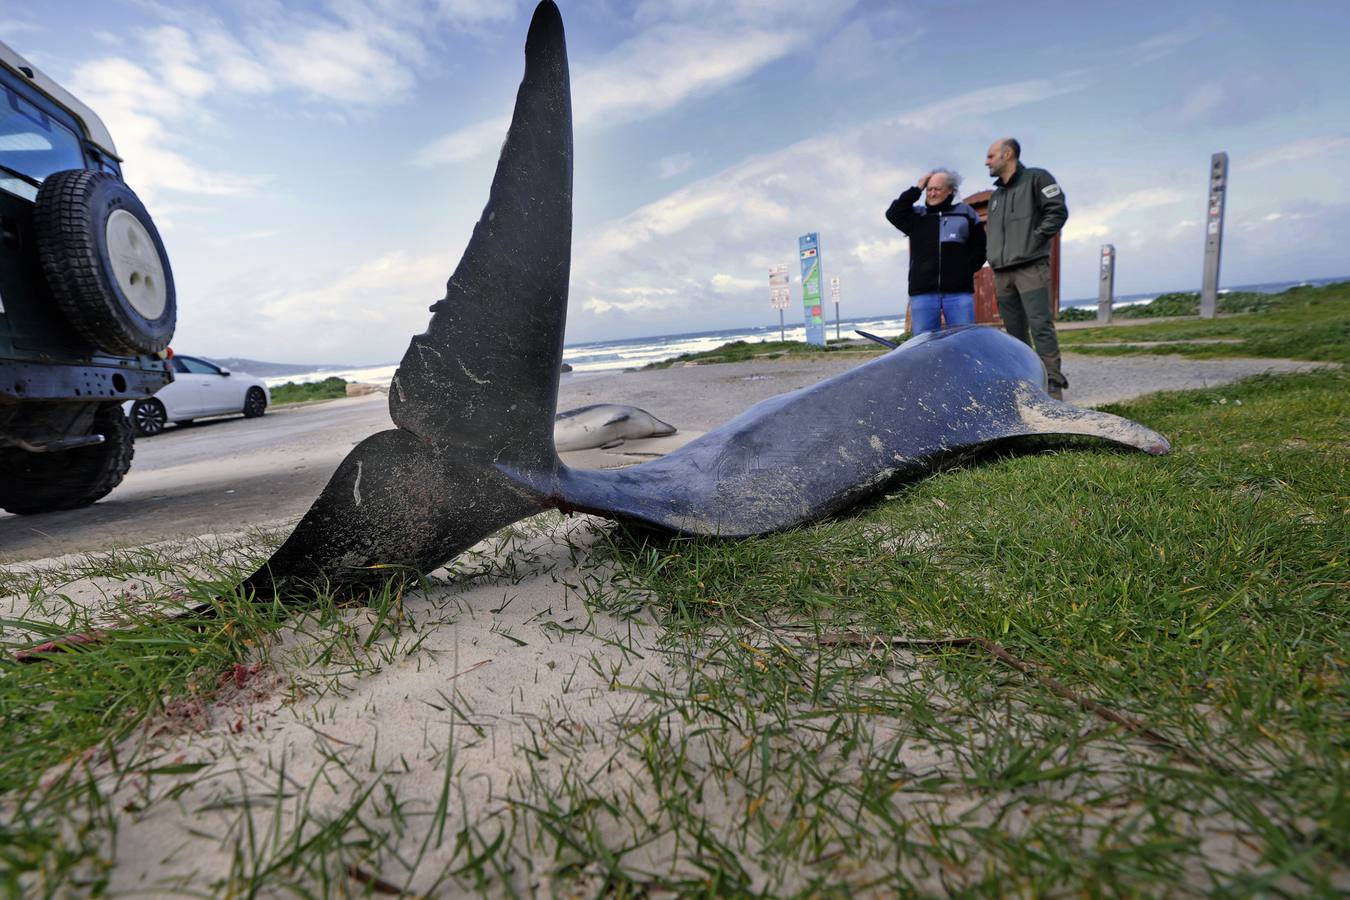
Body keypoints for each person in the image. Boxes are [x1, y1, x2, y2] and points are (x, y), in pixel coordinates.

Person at [984, 137, 1070, 398]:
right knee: (1014, 332)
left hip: (1030, 267)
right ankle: (1027, 381)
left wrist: (1034, 239)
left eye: (990, 156)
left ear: (1007, 154)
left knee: (1040, 324)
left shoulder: (1037, 178)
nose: (986, 161)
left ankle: (1053, 381)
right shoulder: (996, 195)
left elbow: (1057, 211)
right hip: (1002, 272)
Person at [885, 168, 986, 334]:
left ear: (951, 191)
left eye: (937, 189)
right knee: (924, 344)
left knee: (964, 339)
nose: (931, 193)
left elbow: (981, 246)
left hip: (959, 292)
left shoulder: (966, 213)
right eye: (929, 189)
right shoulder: (917, 215)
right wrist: (917, 188)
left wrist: (966, 269)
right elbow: (893, 213)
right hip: (923, 292)